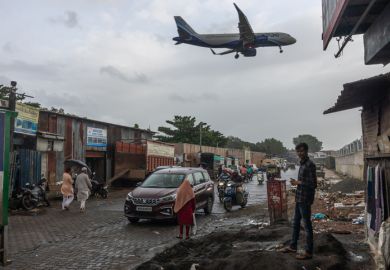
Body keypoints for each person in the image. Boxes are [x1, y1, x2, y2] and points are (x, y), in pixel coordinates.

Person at [281, 142, 317, 260]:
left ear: (306, 151)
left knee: (307, 225)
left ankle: (308, 251)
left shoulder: (310, 164)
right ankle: (293, 246)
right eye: (298, 151)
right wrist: (297, 183)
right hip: (299, 198)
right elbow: (303, 181)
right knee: (296, 223)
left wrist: (298, 183)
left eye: (302, 151)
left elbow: (313, 184)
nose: (300, 153)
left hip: (305, 199)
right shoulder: (302, 164)